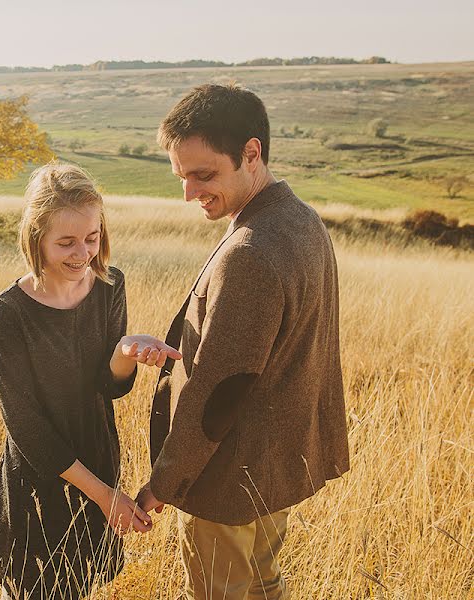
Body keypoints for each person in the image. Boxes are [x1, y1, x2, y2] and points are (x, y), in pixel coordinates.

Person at [136, 84, 350, 600]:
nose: (189, 193)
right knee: (262, 587)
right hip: (273, 472)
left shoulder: (250, 251)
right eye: (181, 177)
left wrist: (165, 481)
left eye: (203, 175)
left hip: (227, 479)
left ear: (251, 153)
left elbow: (219, 391)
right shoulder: (302, 220)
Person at [0, 163, 180, 599]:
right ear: (36, 238)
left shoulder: (110, 286)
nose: (83, 253)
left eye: (92, 238)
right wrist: (104, 495)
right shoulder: (6, 314)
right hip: (40, 477)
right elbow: (26, 427)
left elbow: (110, 387)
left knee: (82, 585)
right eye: (66, 242)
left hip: (98, 457)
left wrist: (124, 352)